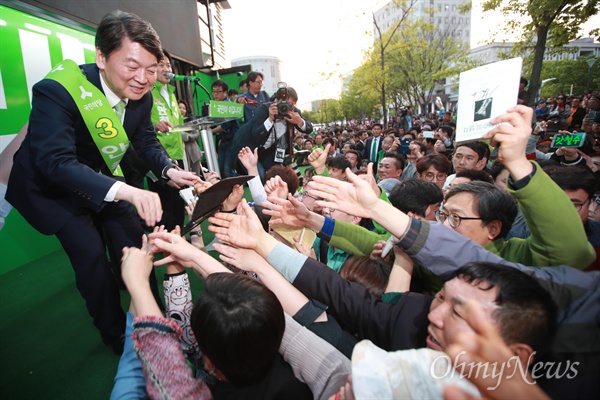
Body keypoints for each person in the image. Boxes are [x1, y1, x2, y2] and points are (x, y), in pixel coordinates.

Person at [5, 10, 200, 354]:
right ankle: (117, 336)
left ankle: (154, 322)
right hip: (56, 189)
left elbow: (146, 141)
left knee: (135, 242)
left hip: (105, 180)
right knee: (92, 258)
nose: (143, 78)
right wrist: (126, 191)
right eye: (132, 66)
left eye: (152, 69)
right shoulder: (58, 90)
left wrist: (169, 170)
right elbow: (55, 162)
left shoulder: (144, 96)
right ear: (101, 57)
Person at [231, 86, 312, 182]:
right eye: (286, 104)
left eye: (292, 105)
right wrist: (270, 119)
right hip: (249, 147)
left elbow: (309, 128)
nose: (288, 108)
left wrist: (299, 121)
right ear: (277, 101)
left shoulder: (294, 112)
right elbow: (256, 135)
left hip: (269, 151)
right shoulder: (264, 109)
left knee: (276, 177)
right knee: (259, 177)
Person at [148, 50, 186, 231]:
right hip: (158, 159)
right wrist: (155, 125)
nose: (166, 69)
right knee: (165, 209)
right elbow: (139, 126)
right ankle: (167, 246)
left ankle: (178, 241)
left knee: (178, 205)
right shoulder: (147, 91)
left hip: (176, 156)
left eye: (168, 65)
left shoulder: (171, 94)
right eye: (161, 64)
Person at [210, 79, 240, 178]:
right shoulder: (217, 106)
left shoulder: (228, 106)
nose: (216, 94)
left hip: (232, 141)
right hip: (223, 141)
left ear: (225, 92)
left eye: (219, 92)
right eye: (214, 92)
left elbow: (224, 126)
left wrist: (209, 132)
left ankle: (235, 191)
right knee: (220, 168)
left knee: (227, 170)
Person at [178, 99, 203, 176]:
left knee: (197, 175)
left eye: (184, 108)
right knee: (187, 175)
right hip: (183, 153)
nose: (182, 110)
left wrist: (188, 136)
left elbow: (197, 134)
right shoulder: (174, 121)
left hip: (194, 151)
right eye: (180, 108)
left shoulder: (189, 121)